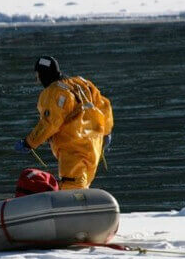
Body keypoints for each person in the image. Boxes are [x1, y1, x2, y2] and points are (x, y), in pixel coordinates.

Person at [14, 56, 113, 190]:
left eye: (38, 76)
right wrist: (106, 133)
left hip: (73, 148)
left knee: (72, 186)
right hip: (95, 146)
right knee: (83, 185)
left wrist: (29, 142)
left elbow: (50, 123)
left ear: (43, 74)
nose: (38, 80)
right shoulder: (82, 83)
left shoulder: (53, 92)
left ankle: (71, 209)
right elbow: (104, 106)